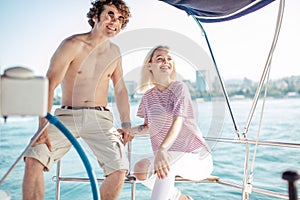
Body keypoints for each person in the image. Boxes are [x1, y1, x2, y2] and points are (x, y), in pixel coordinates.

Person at [22, 1, 132, 199]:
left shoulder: (115, 52)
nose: (115, 22)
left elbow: (121, 90)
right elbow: (49, 84)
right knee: (33, 159)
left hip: (101, 120)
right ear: (94, 17)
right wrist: (42, 126)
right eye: (110, 15)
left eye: (120, 19)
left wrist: (126, 123)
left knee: (120, 168)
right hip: (66, 116)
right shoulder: (72, 44)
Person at [132, 46, 213, 200]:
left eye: (169, 59)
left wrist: (162, 149)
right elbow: (148, 127)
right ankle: (180, 198)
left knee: (167, 164)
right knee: (140, 169)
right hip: (168, 155)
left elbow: (178, 120)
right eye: (160, 59)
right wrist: (129, 131)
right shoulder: (148, 96)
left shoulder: (179, 87)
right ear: (150, 65)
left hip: (197, 157)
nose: (166, 62)